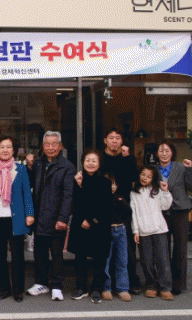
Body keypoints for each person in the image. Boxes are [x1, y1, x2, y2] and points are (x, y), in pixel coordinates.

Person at [0, 135, 34, 302]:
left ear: (14, 150)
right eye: (2, 147)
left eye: (8, 147)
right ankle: (3, 289)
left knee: (18, 257)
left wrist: (30, 214)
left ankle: (18, 290)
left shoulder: (21, 169)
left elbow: (27, 193)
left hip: (16, 219)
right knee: (0, 257)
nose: (5, 150)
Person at [25, 131, 75, 301]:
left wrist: (63, 218)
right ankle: (41, 283)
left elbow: (69, 195)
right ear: (43, 146)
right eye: (47, 144)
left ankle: (57, 285)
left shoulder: (67, 166)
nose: (50, 147)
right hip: (39, 216)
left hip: (56, 218)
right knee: (39, 253)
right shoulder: (38, 163)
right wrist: (29, 167)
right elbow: (29, 184)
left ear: (60, 146)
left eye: (54, 144)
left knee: (56, 254)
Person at [101, 128, 142, 295]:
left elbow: (134, 177)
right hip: (104, 206)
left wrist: (128, 157)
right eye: (111, 138)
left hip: (124, 207)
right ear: (105, 140)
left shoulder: (127, 157)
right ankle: (107, 283)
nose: (114, 141)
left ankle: (131, 281)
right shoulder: (100, 158)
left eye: (118, 138)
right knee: (106, 246)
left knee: (128, 246)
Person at [68, 149, 112, 304]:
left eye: (94, 161)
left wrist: (91, 220)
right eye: (87, 160)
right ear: (82, 162)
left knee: (99, 258)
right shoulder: (77, 180)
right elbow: (75, 203)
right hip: (80, 224)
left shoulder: (105, 182)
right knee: (80, 257)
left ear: (99, 163)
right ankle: (81, 287)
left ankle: (97, 289)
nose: (90, 163)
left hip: (99, 225)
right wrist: (79, 185)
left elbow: (105, 206)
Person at [156, 140, 192, 295]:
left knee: (180, 248)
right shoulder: (153, 170)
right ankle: (163, 282)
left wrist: (190, 169)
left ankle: (177, 284)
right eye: (161, 150)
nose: (164, 154)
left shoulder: (181, 167)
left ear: (172, 153)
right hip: (161, 212)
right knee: (163, 248)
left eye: (167, 151)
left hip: (180, 211)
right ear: (157, 153)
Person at [130, 165, 174, 301]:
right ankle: (151, 285)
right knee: (146, 261)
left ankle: (165, 287)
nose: (145, 178)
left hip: (159, 229)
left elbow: (166, 206)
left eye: (149, 176)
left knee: (162, 259)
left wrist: (165, 191)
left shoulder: (157, 190)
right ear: (139, 175)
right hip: (143, 231)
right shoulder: (134, 193)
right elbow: (134, 213)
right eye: (143, 175)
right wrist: (135, 230)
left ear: (153, 179)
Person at [102, 173, 133, 302]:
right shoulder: (101, 198)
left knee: (122, 260)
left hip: (120, 230)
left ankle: (123, 288)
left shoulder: (120, 198)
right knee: (106, 260)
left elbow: (128, 212)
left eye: (114, 183)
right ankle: (106, 288)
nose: (112, 186)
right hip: (106, 230)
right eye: (109, 183)